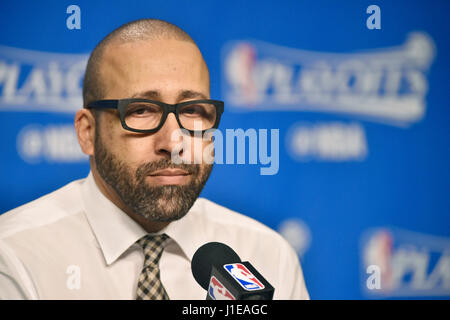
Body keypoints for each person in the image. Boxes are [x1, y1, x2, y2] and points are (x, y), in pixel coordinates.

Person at [0, 19, 309, 300]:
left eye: (192, 110)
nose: (173, 142)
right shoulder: (15, 256)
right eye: (141, 111)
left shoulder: (269, 256)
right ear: (87, 132)